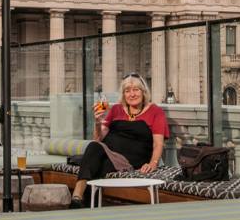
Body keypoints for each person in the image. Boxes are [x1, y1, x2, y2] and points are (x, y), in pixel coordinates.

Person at [69, 73, 169, 209]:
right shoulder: (116, 109)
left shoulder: (155, 111)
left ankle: (79, 202)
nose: (132, 94)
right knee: (95, 148)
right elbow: (98, 139)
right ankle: (78, 198)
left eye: (136, 90)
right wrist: (98, 123)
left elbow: (158, 143)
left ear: (143, 92)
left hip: (131, 158)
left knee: (95, 161)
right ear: (123, 94)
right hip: (107, 152)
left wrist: (153, 163)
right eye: (127, 91)